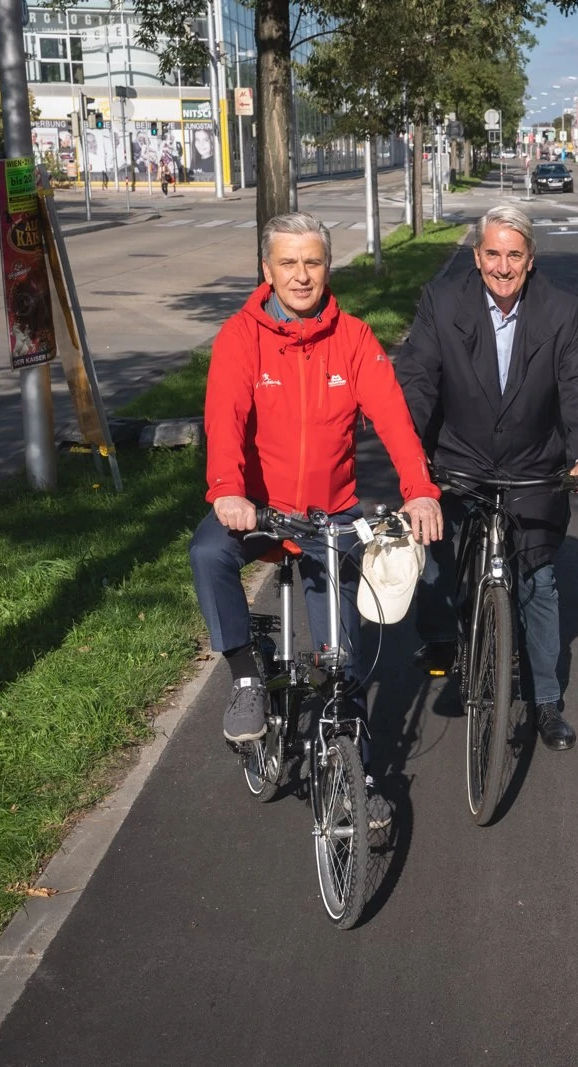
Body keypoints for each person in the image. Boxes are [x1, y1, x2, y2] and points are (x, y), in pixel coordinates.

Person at [189, 212, 443, 746]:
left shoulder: (352, 337)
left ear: (328, 268)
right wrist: (228, 491)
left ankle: (359, 776)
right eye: (288, 263)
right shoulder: (240, 338)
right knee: (209, 554)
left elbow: (394, 419)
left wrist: (420, 491)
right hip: (259, 507)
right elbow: (225, 417)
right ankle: (245, 676)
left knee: (343, 663)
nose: (301, 275)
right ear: (267, 269)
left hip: (331, 515)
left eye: (313, 262)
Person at [395, 205, 578, 752]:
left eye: (515, 254)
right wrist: (409, 459)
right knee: (441, 555)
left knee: (537, 581)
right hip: (460, 458)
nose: (503, 265)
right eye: (493, 253)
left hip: (534, 465)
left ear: (531, 260)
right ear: (477, 256)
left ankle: (544, 701)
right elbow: (418, 381)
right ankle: (444, 637)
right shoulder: (442, 303)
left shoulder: (562, 310)